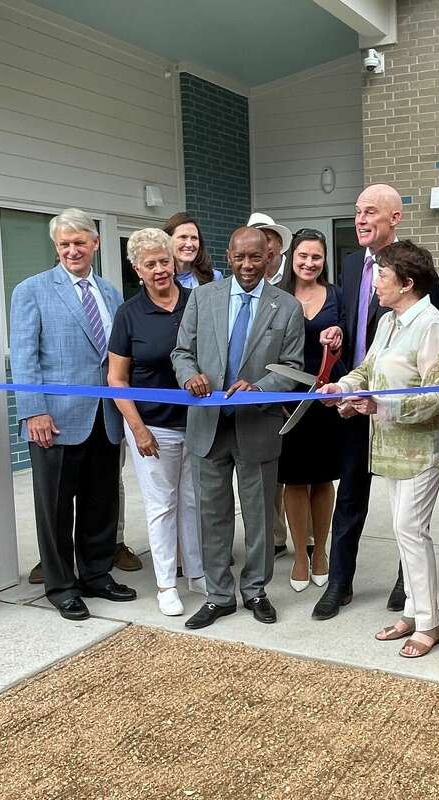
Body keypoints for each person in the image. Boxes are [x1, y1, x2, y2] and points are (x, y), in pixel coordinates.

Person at [312, 184, 439, 621]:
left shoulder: (419, 286)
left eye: (370, 211)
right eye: (357, 211)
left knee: (408, 521)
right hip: (361, 404)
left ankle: (410, 596)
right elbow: (365, 345)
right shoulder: (353, 267)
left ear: (395, 218)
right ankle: (339, 584)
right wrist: (342, 374)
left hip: (404, 421)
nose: (360, 219)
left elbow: (428, 371)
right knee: (351, 496)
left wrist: (379, 401)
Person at [322, 241, 439, 657]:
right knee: (404, 532)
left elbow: (438, 396)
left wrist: (380, 404)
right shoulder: (388, 321)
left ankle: (429, 623)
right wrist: (342, 388)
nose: (375, 282)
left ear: (407, 283)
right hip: (389, 447)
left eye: (382, 275)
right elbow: (367, 368)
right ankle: (415, 613)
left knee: (411, 531)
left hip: (422, 449)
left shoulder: (432, 325)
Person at [171, 226, 305, 629]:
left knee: (259, 515)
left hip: (257, 425)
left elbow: (294, 370)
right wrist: (190, 376)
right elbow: (181, 352)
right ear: (228, 256)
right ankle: (218, 596)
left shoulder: (287, 307)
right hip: (207, 427)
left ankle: (256, 591)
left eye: (256, 258)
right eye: (240, 257)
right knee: (212, 515)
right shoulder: (202, 297)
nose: (248, 266)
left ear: (270, 258)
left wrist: (260, 387)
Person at [10, 208, 135, 622]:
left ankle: (97, 574)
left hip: (104, 417)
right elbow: (24, 357)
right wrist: (34, 411)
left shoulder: (111, 292)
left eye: (79, 242)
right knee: (56, 508)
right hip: (55, 420)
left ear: (95, 244)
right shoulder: (32, 290)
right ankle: (62, 585)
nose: (71, 250)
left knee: (101, 503)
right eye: (64, 243)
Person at [108, 228, 205, 617]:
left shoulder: (197, 302)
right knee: (161, 505)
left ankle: (196, 573)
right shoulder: (129, 313)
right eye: (151, 264)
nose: (160, 269)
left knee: (193, 501)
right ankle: (166, 583)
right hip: (153, 427)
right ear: (137, 269)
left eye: (165, 261)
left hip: (198, 423)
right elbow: (116, 379)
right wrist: (138, 428)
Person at [277, 229, 344, 591]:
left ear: (323, 260)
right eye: (303, 256)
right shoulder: (278, 296)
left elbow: (349, 337)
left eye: (316, 257)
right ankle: (300, 555)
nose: (309, 263)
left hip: (325, 398)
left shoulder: (336, 296)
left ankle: (321, 552)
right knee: (293, 479)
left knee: (322, 478)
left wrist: (338, 333)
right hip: (287, 399)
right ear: (292, 257)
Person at [248, 211, 295, 559]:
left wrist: (271, 388)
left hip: (285, 395)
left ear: (276, 248)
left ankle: (286, 536)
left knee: (285, 477)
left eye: (268, 242)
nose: (263, 249)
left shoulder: (290, 286)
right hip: (244, 401)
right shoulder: (227, 287)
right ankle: (272, 536)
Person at [164, 212, 221, 287]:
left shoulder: (214, 278)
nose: (189, 244)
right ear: (168, 240)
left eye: (194, 238)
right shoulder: (160, 278)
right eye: (183, 237)